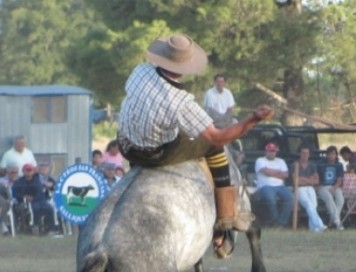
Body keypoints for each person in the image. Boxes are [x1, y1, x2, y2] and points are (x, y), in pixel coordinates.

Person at [116, 34, 273, 237]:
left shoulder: (140, 71)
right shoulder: (181, 102)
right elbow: (218, 136)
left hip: (125, 144)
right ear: (185, 67)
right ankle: (227, 214)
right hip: (154, 154)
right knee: (214, 146)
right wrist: (253, 119)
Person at [254, 143, 293, 227]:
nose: (272, 153)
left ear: (276, 152)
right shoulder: (260, 160)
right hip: (265, 186)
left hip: (280, 186)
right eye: (270, 151)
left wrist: (271, 172)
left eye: (273, 151)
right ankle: (274, 220)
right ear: (265, 152)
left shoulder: (281, 161)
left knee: (290, 198)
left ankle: (281, 223)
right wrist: (279, 172)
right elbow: (266, 172)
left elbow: (286, 175)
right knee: (270, 199)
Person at [12, 163, 57, 235]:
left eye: (30, 170)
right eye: (27, 170)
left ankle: (51, 229)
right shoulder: (19, 182)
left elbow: (42, 190)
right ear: (23, 171)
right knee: (34, 209)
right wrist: (24, 196)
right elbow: (15, 193)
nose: (29, 172)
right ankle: (35, 227)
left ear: (33, 171)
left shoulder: (37, 180)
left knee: (49, 209)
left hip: (40, 200)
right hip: (28, 202)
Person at [291, 146, 326, 232]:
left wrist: (303, 179)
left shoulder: (312, 165)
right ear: (300, 154)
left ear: (309, 154)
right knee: (308, 204)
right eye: (303, 153)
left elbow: (316, 181)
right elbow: (296, 181)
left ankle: (313, 229)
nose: (305, 155)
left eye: (307, 153)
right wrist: (309, 179)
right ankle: (319, 224)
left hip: (310, 188)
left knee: (314, 205)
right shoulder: (295, 165)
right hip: (299, 189)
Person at [316, 145, 345, 230]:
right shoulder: (321, 163)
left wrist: (334, 188)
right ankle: (337, 222)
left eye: (333, 154)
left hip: (334, 186)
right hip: (322, 187)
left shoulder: (339, 165)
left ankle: (333, 221)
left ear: (336, 155)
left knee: (340, 199)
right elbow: (316, 176)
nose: (331, 156)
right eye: (329, 154)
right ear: (327, 155)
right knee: (329, 198)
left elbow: (339, 180)